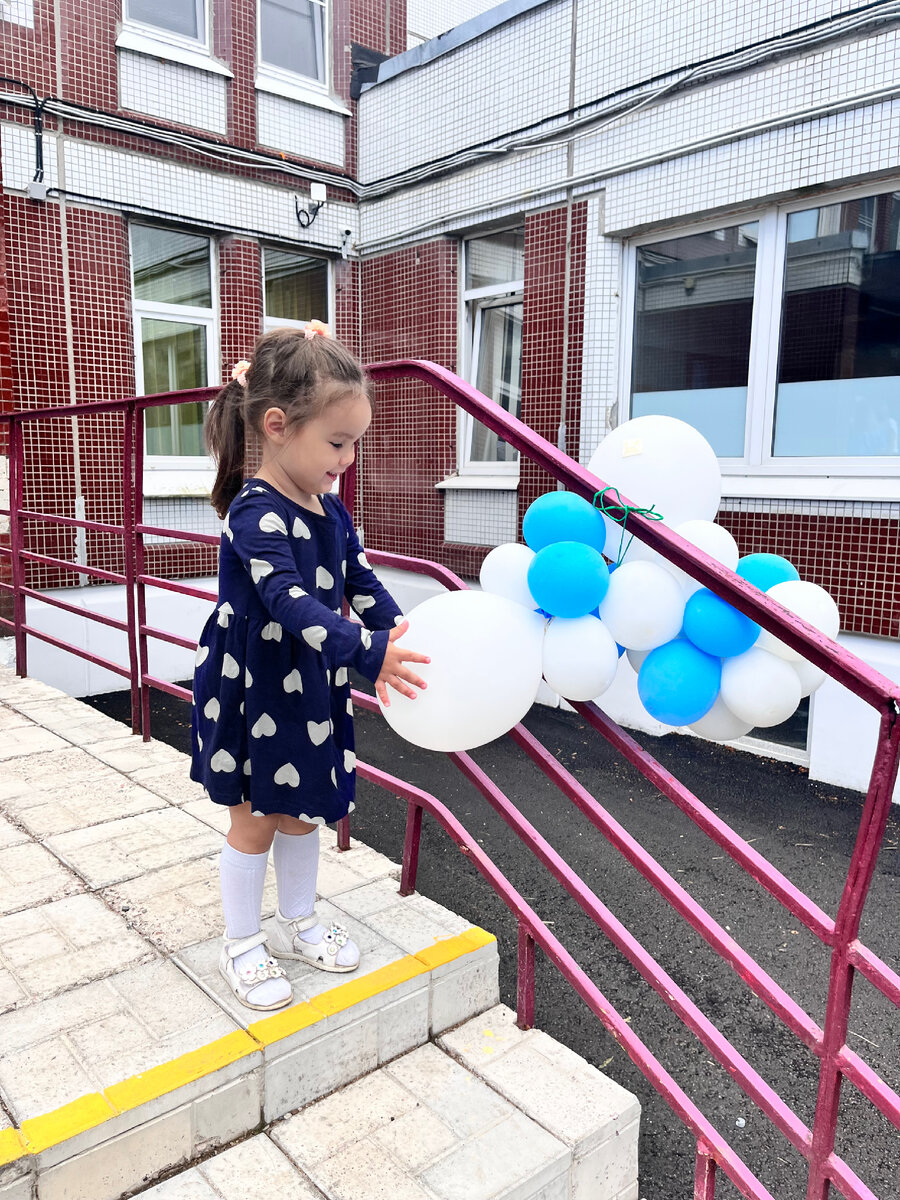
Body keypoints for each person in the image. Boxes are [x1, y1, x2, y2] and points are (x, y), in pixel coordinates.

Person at [191, 322, 429, 1012]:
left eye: (355, 442)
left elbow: (359, 579)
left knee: (302, 813)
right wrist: (365, 651)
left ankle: (298, 922)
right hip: (252, 687)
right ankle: (243, 942)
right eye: (336, 442)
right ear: (276, 426)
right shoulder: (253, 512)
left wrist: (395, 625)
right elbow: (287, 599)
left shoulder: (330, 508)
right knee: (254, 820)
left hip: (310, 683)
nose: (347, 458)